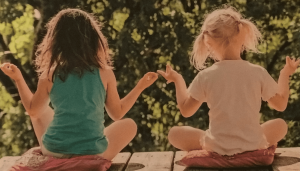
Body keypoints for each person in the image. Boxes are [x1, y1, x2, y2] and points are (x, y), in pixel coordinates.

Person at [0, 8, 158, 161]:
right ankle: (88, 157)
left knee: (39, 112)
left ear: (56, 41)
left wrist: (18, 79)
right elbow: (117, 114)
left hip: (54, 152)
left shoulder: (50, 74)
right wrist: (140, 87)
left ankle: (59, 158)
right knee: (129, 125)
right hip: (93, 154)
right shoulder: (105, 73)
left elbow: (33, 111)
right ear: (94, 40)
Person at [157, 6, 299, 155]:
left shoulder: (206, 75)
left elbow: (186, 110)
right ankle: (247, 145)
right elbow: (281, 104)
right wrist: (285, 73)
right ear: (242, 36)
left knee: (174, 134)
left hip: (216, 147)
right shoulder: (258, 72)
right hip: (252, 144)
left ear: (209, 43)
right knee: (280, 125)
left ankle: (220, 147)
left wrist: (178, 80)